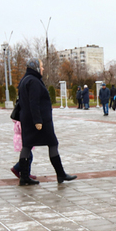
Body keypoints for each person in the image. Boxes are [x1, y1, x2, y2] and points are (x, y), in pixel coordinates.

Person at [17, 58, 77, 186]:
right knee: (53, 143)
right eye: (41, 66)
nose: (43, 68)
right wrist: (38, 121)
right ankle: (60, 174)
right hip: (39, 121)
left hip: (27, 120)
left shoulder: (25, 79)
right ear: (35, 67)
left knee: (27, 146)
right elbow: (34, 102)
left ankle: (24, 177)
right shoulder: (33, 81)